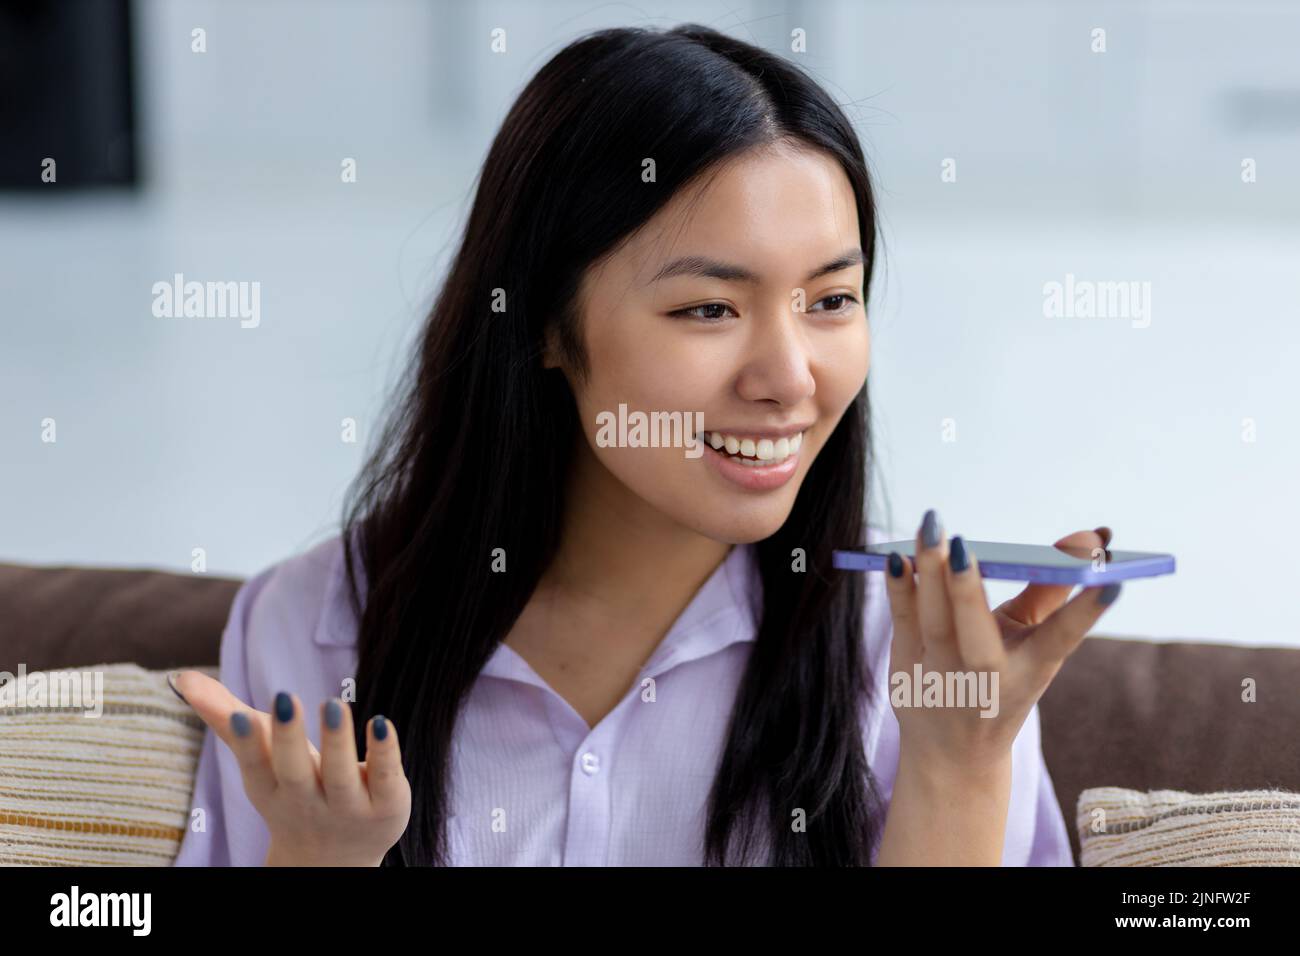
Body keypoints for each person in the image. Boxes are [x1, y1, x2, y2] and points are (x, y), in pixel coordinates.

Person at [171, 23, 1117, 867]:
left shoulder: (917, 661)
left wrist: (959, 766)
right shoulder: (313, 627)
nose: (790, 377)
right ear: (543, 322)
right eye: (709, 308)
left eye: (831, 299)